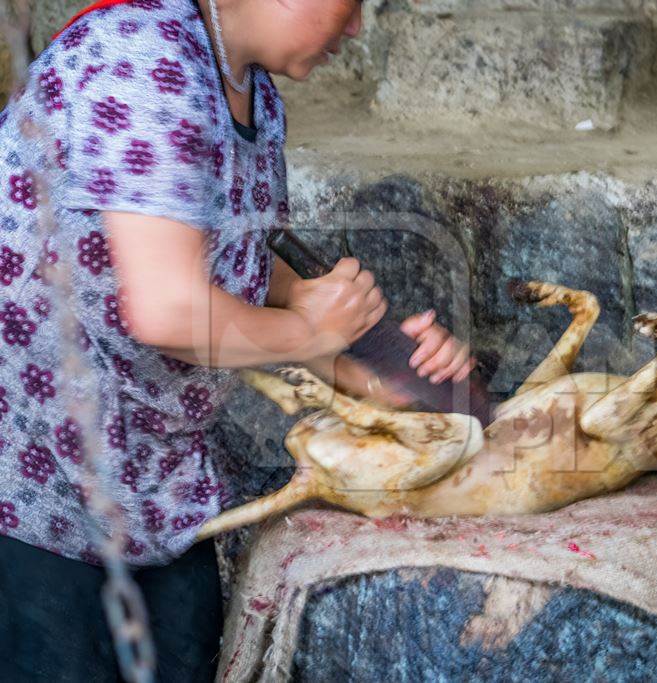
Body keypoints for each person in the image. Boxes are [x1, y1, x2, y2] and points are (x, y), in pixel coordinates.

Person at [0, 0, 476, 679]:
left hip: (149, 484)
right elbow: (168, 310)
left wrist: (376, 369)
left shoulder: (250, 87)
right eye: (350, 3)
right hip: (33, 487)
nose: (355, 28)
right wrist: (312, 328)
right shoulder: (144, 61)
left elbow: (226, 252)